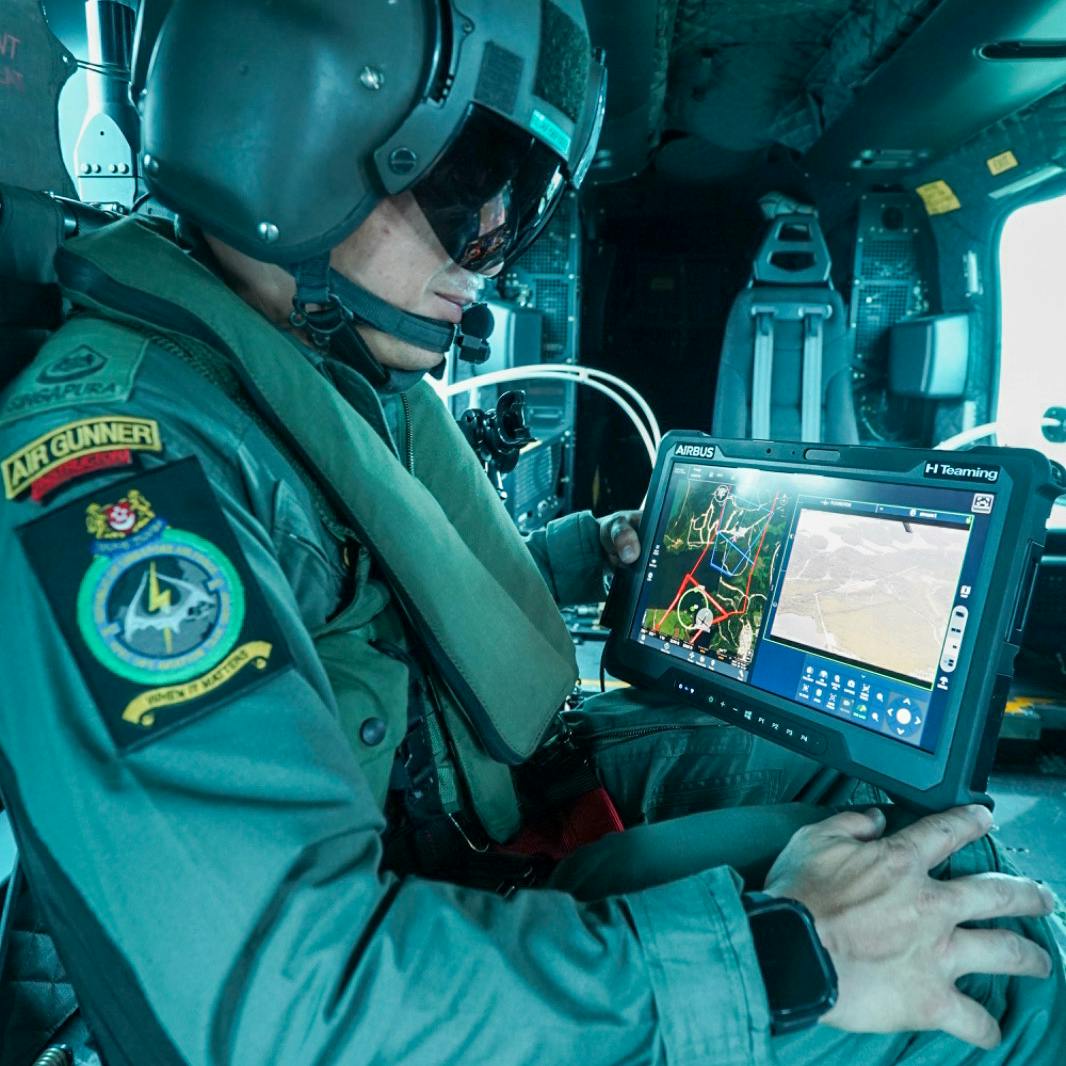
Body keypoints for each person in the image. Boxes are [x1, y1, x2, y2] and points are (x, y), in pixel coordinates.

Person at [0, 1, 1062, 1063]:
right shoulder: (124, 475)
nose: (493, 256)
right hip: (373, 978)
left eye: (523, 211)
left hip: (451, 838)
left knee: (868, 797)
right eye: (471, 199)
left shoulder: (289, 361)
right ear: (287, 138)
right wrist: (789, 953)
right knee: (988, 968)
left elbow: (356, 605)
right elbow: (294, 1007)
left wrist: (568, 555)